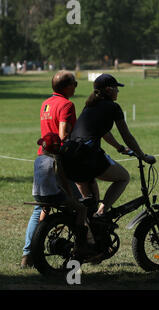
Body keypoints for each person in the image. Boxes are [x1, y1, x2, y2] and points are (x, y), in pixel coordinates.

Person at [60, 73, 155, 218]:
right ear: (109, 90)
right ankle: (102, 212)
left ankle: (92, 231)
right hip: (88, 155)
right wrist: (143, 156)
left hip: (71, 155)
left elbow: (104, 132)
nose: (118, 91)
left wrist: (119, 148)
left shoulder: (90, 106)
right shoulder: (113, 107)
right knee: (123, 177)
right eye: (116, 88)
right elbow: (127, 136)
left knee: (89, 205)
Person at [21, 71, 81, 268]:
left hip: (42, 157)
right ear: (66, 86)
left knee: (41, 207)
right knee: (81, 203)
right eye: (74, 83)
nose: (76, 85)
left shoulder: (46, 103)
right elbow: (63, 134)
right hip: (59, 160)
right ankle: (83, 249)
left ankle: (28, 254)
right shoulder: (67, 104)